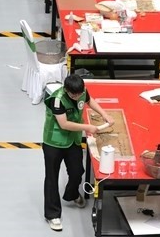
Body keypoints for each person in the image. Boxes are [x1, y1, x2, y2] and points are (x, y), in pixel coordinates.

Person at [43, 74, 113, 231]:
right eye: (73, 95)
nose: (77, 97)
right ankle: (52, 215)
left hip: (72, 140)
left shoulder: (81, 91)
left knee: (77, 171)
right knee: (52, 178)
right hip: (54, 142)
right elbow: (64, 124)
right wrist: (88, 127)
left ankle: (72, 194)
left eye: (79, 94)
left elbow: (89, 100)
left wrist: (104, 114)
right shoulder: (57, 100)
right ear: (66, 90)